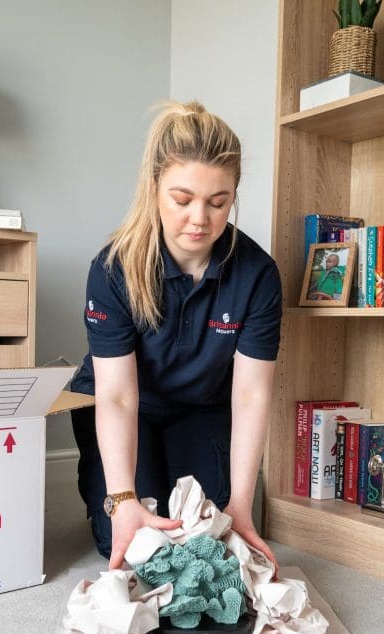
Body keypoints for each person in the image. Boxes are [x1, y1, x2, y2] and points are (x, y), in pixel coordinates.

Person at [70, 100, 283, 572]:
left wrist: (241, 503)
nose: (200, 219)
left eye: (218, 202)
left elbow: (250, 395)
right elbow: (117, 396)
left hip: (200, 407)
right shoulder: (112, 269)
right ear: (154, 190)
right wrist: (123, 499)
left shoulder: (258, 275)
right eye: (182, 200)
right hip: (126, 405)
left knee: (207, 535)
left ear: (233, 196)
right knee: (135, 544)